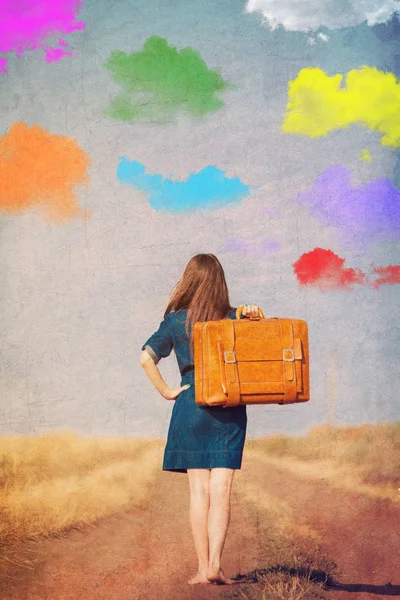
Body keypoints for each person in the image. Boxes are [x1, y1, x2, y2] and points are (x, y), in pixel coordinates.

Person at [140, 253, 260, 585]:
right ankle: (215, 566)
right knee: (221, 490)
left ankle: (201, 567)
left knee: (199, 491)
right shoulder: (232, 317)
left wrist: (167, 391)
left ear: (188, 281)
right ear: (219, 283)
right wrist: (249, 312)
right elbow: (259, 329)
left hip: (190, 404)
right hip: (229, 408)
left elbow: (145, 358)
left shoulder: (176, 321)